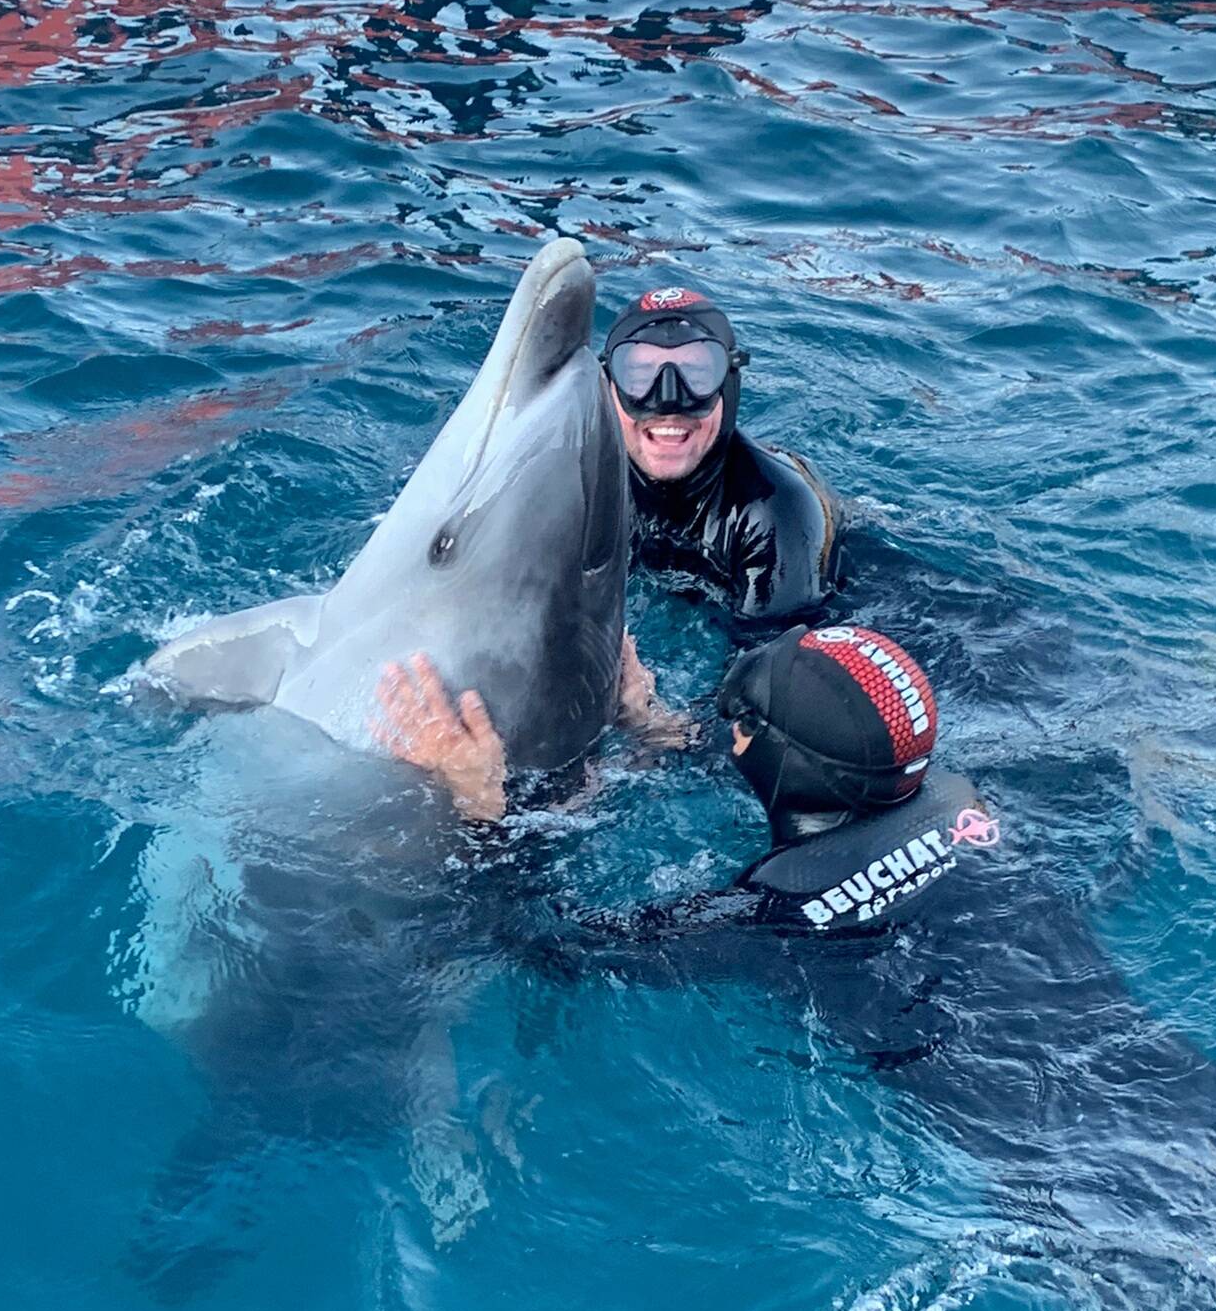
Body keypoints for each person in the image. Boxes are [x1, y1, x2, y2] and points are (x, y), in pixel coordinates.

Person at [373, 622, 992, 937]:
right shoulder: (953, 799)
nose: (728, 730)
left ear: (788, 764)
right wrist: (650, 728)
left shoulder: (774, 908)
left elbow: (539, 940)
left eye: (743, 719)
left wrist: (476, 804)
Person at [602, 287, 842, 631]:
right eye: (639, 376)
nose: (668, 401)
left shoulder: (775, 509)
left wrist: (645, 689)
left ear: (728, 385)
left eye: (696, 374)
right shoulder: (587, 482)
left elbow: (766, 668)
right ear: (608, 385)